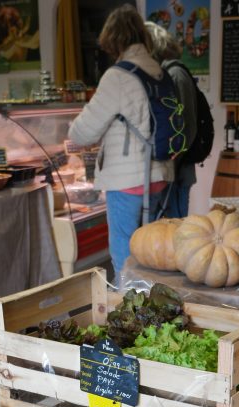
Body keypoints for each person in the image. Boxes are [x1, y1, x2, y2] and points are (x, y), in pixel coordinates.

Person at [68, 5, 174, 281]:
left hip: (127, 181)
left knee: (124, 257)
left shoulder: (117, 76)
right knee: (152, 254)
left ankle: (127, 314)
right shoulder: (159, 72)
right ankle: (156, 311)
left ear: (113, 39)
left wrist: (71, 130)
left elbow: (83, 133)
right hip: (159, 175)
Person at [145, 22, 196, 218]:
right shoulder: (166, 74)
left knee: (175, 233)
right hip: (170, 171)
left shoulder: (174, 75)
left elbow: (185, 129)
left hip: (177, 173)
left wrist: (168, 168)